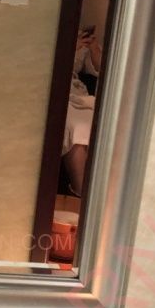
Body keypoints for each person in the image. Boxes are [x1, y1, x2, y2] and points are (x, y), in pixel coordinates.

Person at [62, 28, 102, 197]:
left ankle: (97, 192)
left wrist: (93, 48)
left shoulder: (81, 39)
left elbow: (101, 69)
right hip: (57, 89)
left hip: (79, 93)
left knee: (95, 123)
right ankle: (80, 191)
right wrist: (70, 48)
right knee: (76, 126)